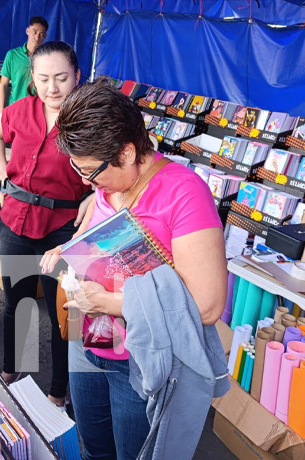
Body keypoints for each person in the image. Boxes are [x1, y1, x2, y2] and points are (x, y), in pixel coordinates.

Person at [40, 80, 228, 459]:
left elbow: (207, 304)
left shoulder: (184, 193)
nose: (84, 180)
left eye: (91, 171)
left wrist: (109, 302)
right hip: (89, 341)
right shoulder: (107, 183)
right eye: (78, 168)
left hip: (140, 359)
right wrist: (72, 248)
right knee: (93, 448)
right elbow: (102, 231)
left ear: (127, 152)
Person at [0, 41, 92, 409]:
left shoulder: (90, 117)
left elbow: (125, 165)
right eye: (44, 79)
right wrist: (2, 171)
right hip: (15, 222)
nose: (53, 88)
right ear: (32, 79)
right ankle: (13, 368)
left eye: (62, 78)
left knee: (65, 315)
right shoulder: (22, 109)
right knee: (18, 302)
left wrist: (95, 196)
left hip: (63, 230)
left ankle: (58, 392)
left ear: (78, 76)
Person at [0, 16, 48, 108]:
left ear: (45, 37)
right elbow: (3, 84)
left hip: (37, 110)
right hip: (15, 107)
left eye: (41, 34)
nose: (37, 37)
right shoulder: (12, 55)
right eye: (34, 32)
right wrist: (1, 111)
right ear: (27, 31)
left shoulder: (45, 58)